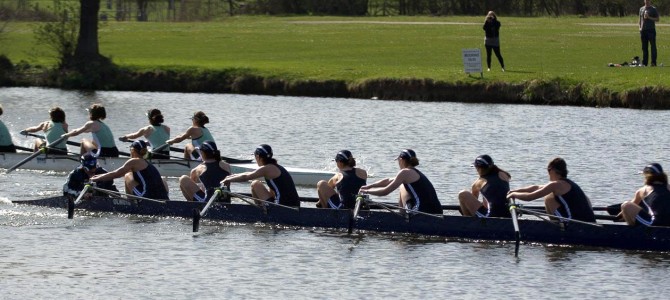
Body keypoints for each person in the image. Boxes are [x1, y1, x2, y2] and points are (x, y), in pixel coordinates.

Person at [507, 157, 596, 222]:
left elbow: (530, 197)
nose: (548, 173)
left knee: (548, 197)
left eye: (548, 170)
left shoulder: (555, 185)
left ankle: (558, 226)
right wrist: (515, 191)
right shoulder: (568, 183)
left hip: (575, 225)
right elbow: (536, 187)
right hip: (588, 221)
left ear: (552, 170)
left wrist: (513, 195)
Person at [359, 149, 443, 214]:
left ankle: (402, 217)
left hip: (422, 212)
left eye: (398, 160)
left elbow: (385, 191)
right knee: (402, 185)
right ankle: (403, 214)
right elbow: (388, 180)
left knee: (402, 186)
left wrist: (366, 191)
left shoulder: (404, 172)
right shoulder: (413, 172)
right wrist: (369, 186)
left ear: (402, 160)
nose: (398, 163)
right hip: (438, 211)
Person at [221, 144, 300, 207]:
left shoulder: (266, 168)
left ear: (258, 157)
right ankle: (264, 208)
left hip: (284, 206)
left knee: (255, 184)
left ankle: (260, 211)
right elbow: (247, 173)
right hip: (294, 204)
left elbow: (247, 176)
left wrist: (228, 179)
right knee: (260, 184)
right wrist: (229, 177)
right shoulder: (274, 166)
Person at [90, 140, 169, 200]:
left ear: (133, 150)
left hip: (146, 197)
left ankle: (130, 202)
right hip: (162, 197)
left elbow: (116, 174)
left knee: (127, 175)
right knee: (162, 179)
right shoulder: (147, 162)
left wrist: (96, 178)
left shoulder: (134, 161)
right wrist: (100, 175)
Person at [639, 0, 660, 67]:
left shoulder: (653, 9)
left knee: (653, 47)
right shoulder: (641, 9)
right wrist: (640, 28)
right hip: (643, 31)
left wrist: (649, 17)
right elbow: (640, 20)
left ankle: (653, 63)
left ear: (650, 1)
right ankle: (644, 63)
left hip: (651, 30)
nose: (647, 1)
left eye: (648, 0)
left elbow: (657, 19)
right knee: (644, 48)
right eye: (646, 0)